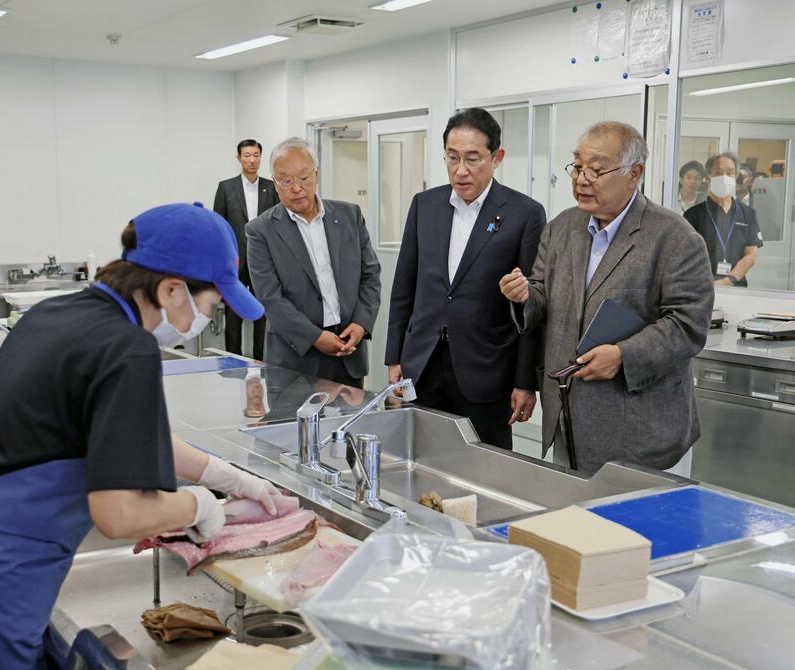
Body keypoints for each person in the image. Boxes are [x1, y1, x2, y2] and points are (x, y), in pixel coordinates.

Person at [0, 203, 282, 669]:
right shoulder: (129, 350)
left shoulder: (61, 314)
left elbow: (117, 433)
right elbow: (117, 512)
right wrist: (200, 506)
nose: (205, 320)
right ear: (172, 289)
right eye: (212, 305)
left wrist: (225, 476)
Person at [499, 121, 714, 476]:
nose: (582, 179)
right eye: (578, 167)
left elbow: (688, 324)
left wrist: (622, 355)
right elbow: (542, 297)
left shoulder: (674, 238)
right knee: (573, 525)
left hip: (641, 430)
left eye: (596, 170)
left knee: (641, 529)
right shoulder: (562, 228)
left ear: (635, 174)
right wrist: (523, 297)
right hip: (569, 420)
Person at [385, 108, 545, 449]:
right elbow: (404, 288)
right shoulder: (425, 205)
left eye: (473, 159)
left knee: (485, 468)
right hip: (423, 364)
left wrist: (525, 381)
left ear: (497, 157)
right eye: (452, 158)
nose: (461, 170)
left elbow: (533, 307)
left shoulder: (524, 214)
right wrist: (394, 356)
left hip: (486, 370)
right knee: (420, 457)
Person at [246, 137, 381, 388]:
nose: (296, 187)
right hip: (295, 360)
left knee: (347, 425)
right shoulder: (261, 231)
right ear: (275, 183)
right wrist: (315, 337)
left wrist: (362, 324)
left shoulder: (349, 215)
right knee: (294, 428)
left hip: (347, 351)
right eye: (286, 180)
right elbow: (270, 298)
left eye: (304, 178)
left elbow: (370, 275)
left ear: (316, 175)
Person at [214, 139, 279, 360]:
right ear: (239, 158)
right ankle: (232, 361)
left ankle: (262, 361)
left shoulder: (271, 187)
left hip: (263, 260)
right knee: (234, 315)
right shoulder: (226, 187)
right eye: (247, 155)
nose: (252, 160)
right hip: (235, 261)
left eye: (256, 155)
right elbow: (219, 225)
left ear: (261, 158)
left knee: (263, 312)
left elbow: (278, 224)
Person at [684, 152, 762, 287]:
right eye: (719, 172)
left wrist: (728, 280)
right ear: (708, 177)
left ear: (735, 176)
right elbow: (685, 256)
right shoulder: (693, 215)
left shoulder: (748, 214)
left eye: (730, 172)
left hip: (737, 286)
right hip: (702, 286)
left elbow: (751, 255)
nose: (725, 177)